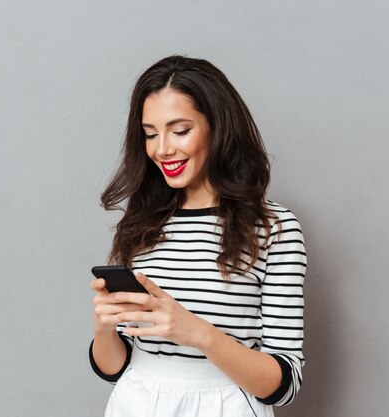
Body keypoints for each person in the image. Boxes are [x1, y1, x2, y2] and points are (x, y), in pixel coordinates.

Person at [88, 55, 306, 417]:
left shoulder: (274, 228)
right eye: (150, 134)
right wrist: (104, 327)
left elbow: (284, 384)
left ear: (217, 128)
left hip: (224, 406)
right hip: (136, 402)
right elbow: (115, 368)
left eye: (180, 130)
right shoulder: (141, 223)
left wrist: (197, 332)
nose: (162, 149)